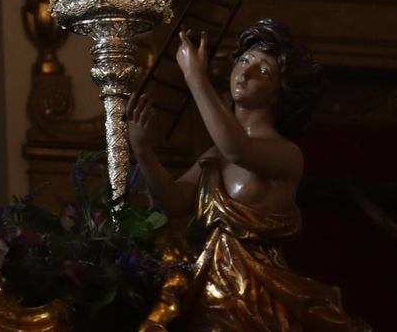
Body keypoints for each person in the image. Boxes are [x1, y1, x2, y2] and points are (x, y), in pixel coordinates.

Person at [128, 21, 368, 331]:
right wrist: (144, 151)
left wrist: (194, 76)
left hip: (256, 300)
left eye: (264, 71)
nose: (246, 72)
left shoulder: (285, 154)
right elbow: (174, 201)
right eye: (244, 61)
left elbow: (238, 150)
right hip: (207, 291)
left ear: (277, 95)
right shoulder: (215, 153)